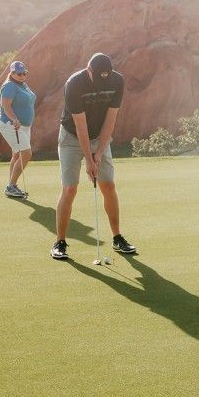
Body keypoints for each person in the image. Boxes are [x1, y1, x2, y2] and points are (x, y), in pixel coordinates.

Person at [50, 53, 137, 260]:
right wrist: (89, 160)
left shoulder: (117, 81)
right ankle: (60, 242)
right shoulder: (74, 84)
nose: (101, 84)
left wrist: (98, 153)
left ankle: (117, 238)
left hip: (100, 136)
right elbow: (80, 126)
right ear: (88, 70)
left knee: (108, 185)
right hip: (72, 136)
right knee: (70, 188)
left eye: (105, 79)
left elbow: (111, 119)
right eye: (98, 78)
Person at [0, 60, 37, 198]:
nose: (22, 75)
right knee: (26, 153)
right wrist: (14, 119)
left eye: (24, 73)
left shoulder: (23, 85)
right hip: (10, 124)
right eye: (18, 73)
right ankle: (11, 186)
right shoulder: (9, 86)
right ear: (12, 73)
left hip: (24, 126)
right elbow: (5, 106)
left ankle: (11, 185)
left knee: (16, 155)